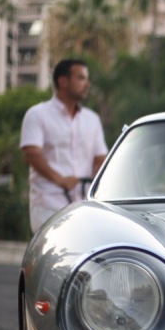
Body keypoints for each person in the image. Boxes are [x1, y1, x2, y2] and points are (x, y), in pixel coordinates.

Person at [19, 58, 108, 232]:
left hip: (84, 206)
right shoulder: (37, 115)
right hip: (48, 204)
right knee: (53, 256)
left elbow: (100, 158)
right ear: (63, 81)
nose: (87, 84)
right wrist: (61, 180)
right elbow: (32, 154)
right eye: (81, 78)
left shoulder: (92, 119)